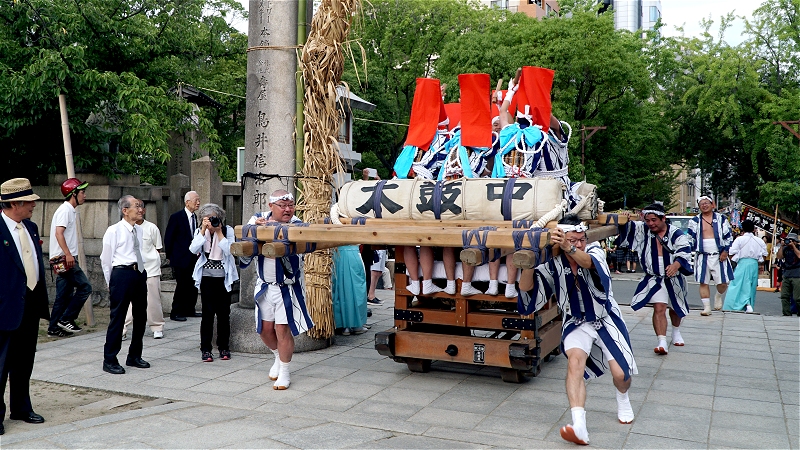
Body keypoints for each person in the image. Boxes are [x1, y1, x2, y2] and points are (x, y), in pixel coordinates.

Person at [518, 215, 637, 446]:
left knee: (621, 374)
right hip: (576, 321)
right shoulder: (552, 261)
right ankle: (579, 425)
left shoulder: (595, 251)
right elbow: (527, 290)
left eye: (581, 239)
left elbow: (588, 263)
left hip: (606, 316)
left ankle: (623, 396)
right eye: (573, 240)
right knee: (574, 363)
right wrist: (527, 262)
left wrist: (569, 246)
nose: (579, 243)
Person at [240, 190, 314, 390]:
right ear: (271, 206)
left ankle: (285, 372)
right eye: (283, 206)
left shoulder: (298, 224)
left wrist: (275, 228)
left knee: (282, 329)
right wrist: (256, 228)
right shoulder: (258, 219)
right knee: (264, 330)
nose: (288, 209)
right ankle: (277, 358)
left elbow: (304, 240)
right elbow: (245, 236)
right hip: (265, 285)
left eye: (290, 205)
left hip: (287, 287)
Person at [0, 178, 51, 434]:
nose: (34, 206)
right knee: (1, 363)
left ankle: (21, 407)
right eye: (30, 201)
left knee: (24, 361)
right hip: (5, 307)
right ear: (16, 202)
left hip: (29, 303)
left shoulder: (29, 227)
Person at [617, 203, 693, 355]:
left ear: (663, 218)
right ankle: (662, 341)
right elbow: (627, 232)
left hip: (673, 276)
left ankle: (676, 331)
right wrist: (625, 221)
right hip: (653, 277)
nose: (651, 223)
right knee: (659, 307)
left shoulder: (676, 233)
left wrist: (676, 265)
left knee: (674, 309)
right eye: (648, 220)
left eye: (654, 220)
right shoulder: (643, 229)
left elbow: (684, 250)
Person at [99, 195, 150, 375]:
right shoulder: (114, 231)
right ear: (125, 210)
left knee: (141, 315)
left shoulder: (139, 230)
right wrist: (110, 282)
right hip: (121, 274)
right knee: (118, 317)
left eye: (141, 205)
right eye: (137, 206)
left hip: (138, 273)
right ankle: (110, 358)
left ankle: (134, 355)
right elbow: (106, 259)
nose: (140, 209)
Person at [190, 203, 238, 362]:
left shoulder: (227, 230)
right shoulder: (200, 231)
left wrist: (218, 232)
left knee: (224, 314)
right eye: (208, 219)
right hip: (207, 278)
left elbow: (229, 250)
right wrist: (203, 231)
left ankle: (224, 347)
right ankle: (206, 349)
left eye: (214, 219)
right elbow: (193, 249)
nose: (211, 222)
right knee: (207, 314)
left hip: (224, 278)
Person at [47, 177, 92, 337]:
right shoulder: (65, 210)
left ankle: (53, 327)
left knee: (63, 295)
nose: (84, 195)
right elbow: (59, 233)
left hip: (61, 258)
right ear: (73, 194)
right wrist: (68, 254)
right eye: (82, 192)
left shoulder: (68, 210)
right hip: (65, 258)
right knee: (85, 287)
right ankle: (67, 319)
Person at [122, 202, 165, 340]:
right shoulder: (122, 228)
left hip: (150, 269)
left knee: (153, 300)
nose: (139, 210)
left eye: (141, 208)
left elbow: (157, 248)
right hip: (131, 270)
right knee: (128, 301)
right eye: (136, 207)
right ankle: (122, 328)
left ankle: (157, 327)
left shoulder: (152, 228)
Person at [687, 196, 734, 315]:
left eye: (706, 203)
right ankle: (706, 307)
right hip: (702, 254)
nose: (704, 205)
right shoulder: (694, 221)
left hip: (719, 253)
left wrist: (725, 251)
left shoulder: (721, 218)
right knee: (703, 282)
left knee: (723, 283)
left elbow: (728, 236)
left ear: (712, 204)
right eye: (701, 203)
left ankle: (718, 296)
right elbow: (690, 238)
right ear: (699, 206)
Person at [164, 191, 201, 321]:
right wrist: (170, 256)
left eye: (198, 200)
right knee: (182, 285)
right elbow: (169, 238)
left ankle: (190, 309)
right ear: (187, 202)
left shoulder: (196, 218)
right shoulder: (177, 217)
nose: (198, 202)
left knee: (193, 284)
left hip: (194, 257)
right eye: (195, 200)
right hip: (180, 257)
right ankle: (176, 312)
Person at [723, 220, 768, 313]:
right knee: (750, 285)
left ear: (742, 228)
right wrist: (759, 262)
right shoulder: (759, 241)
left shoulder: (739, 239)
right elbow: (764, 255)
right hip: (754, 264)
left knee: (737, 284)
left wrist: (735, 259)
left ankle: (736, 305)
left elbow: (731, 252)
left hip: (742, 263)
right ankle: (748, 304)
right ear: (753, 229)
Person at [333, 245, 369, 335]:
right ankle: (357, 325)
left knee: (338, 288)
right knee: (356, 288)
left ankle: (343, 326)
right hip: (352, 252)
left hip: (336, 253)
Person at [777, 232, 800, 316]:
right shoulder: (785, 249)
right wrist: (782, 246)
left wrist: (793, 246)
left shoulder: (798, 247)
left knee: (797, 297)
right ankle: (786, 312)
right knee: (784, 295)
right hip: (787, 273)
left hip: (797, 274)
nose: (789, 242)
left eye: (792, 240)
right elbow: (779, 257)